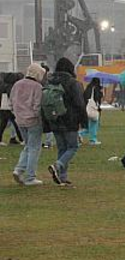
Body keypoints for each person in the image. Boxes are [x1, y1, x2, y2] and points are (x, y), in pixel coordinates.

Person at [44, 58, 88, 187]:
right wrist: (84, 121)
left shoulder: (50, 82)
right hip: (70, 120)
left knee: (62, 148)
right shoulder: (73, 83)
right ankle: (58, 165)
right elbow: (80, 104)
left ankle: (62, 177)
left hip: (54, 119)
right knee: (73, 147)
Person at [11, 64, 46, 185]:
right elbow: (37, 105)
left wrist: (17, 114)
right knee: (34, 148)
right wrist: (39, 118)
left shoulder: (17, 84)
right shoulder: (37, 87)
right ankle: (30, 176)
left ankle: (19, 169)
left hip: (20, 120)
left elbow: (12, 102)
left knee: (27, 146)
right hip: (33, 121)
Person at [1, 72, 25, 146]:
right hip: (10, 108)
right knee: (17, 124)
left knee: (3, 124)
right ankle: (22, 139)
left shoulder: (2, 86)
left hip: (3, 107)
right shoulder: (12, 87)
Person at [80, 77, 104, 145]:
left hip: (86, 108)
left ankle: (80, 134)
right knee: (94, 124)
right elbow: (97, 99)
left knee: (87, 125)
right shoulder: (97, 89)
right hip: (93, 109)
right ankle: (93, 139)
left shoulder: (88, 87)